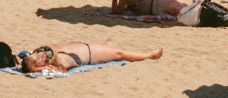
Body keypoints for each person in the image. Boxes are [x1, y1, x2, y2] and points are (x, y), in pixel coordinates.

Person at [20, 42, 162, 73]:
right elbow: (63, 69)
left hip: (82, 47)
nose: (39, 55)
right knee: (118, 54)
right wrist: (44, 67)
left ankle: (147, 55)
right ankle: (148, 56)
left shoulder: (42, 52)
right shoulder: (57, 62)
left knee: (112, 50)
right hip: (87, 52)